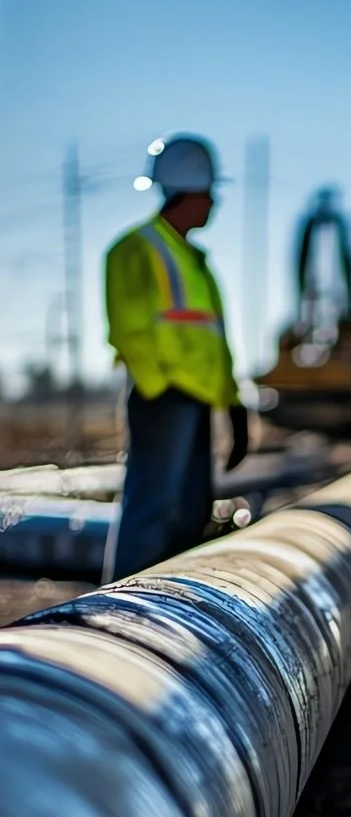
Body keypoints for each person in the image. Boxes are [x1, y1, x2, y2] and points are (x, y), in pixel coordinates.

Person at [104, 134, 248, 580]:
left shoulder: (197, 260)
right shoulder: (136, 248)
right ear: (190, 192)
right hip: (164, 396)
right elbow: (127, 328)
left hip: (198, 396)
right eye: (211, 194)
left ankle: (171, 606)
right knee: (154, 507)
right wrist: (158, 384)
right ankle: (124, 606)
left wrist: (234, 403)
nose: (215, 204)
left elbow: (213, 340)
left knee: (190, 510)